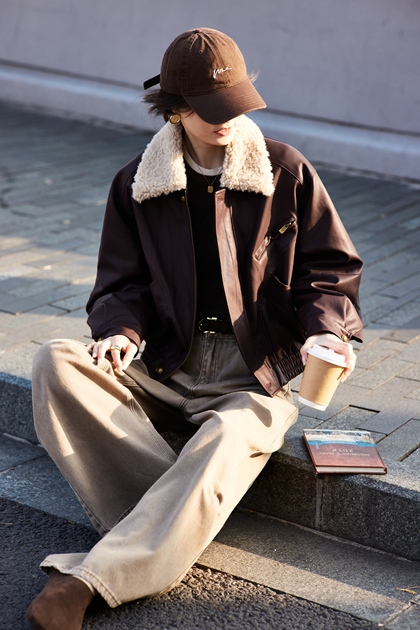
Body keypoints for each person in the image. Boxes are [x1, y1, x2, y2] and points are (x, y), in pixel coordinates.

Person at [26, 27, 363, 630]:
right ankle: (174, 517)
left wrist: (325, 332)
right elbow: (119, 284)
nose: (228, 119)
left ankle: (91, 577)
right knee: (55, 360)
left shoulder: (284, 171)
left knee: (232, 433)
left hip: (252, 375)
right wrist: (121, 332)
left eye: (236, 103)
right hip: (164, 365)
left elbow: (330, 270)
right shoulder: (137, 182)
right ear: (176, 109)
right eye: (211, 108)